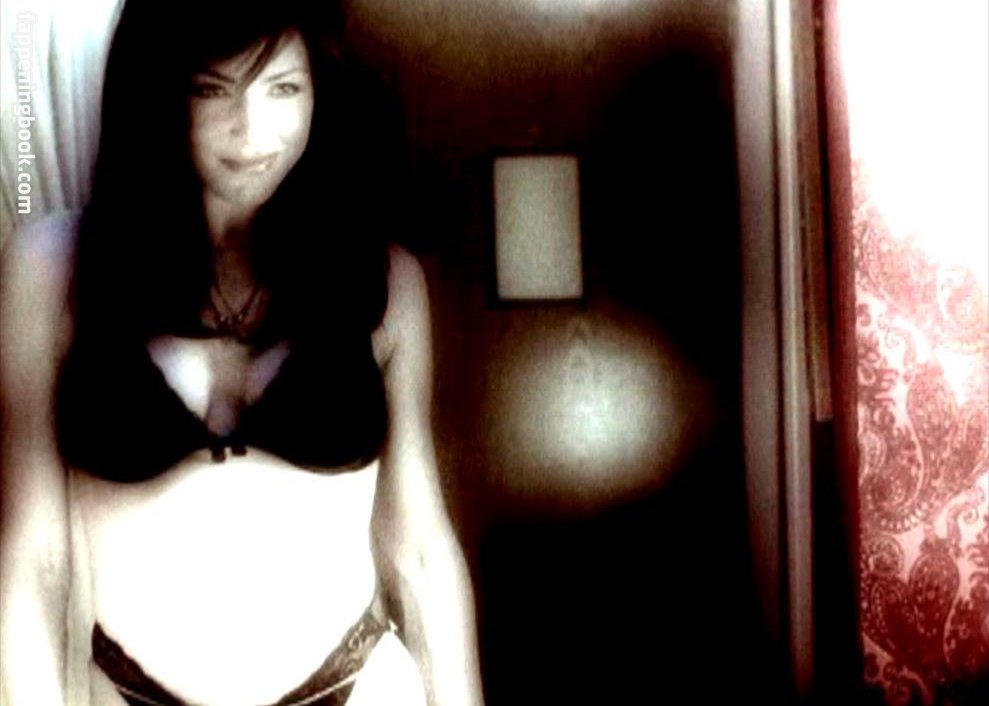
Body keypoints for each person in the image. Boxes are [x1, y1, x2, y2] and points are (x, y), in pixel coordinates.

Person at [0, 1, 484, 704]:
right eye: (212, 88)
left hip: (360, 689)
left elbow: (417, 548)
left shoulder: (382, 281)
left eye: (283, 88)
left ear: (319, 91)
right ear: (160, 94)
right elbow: (33, 557)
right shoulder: (51, 270)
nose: (251, 130)